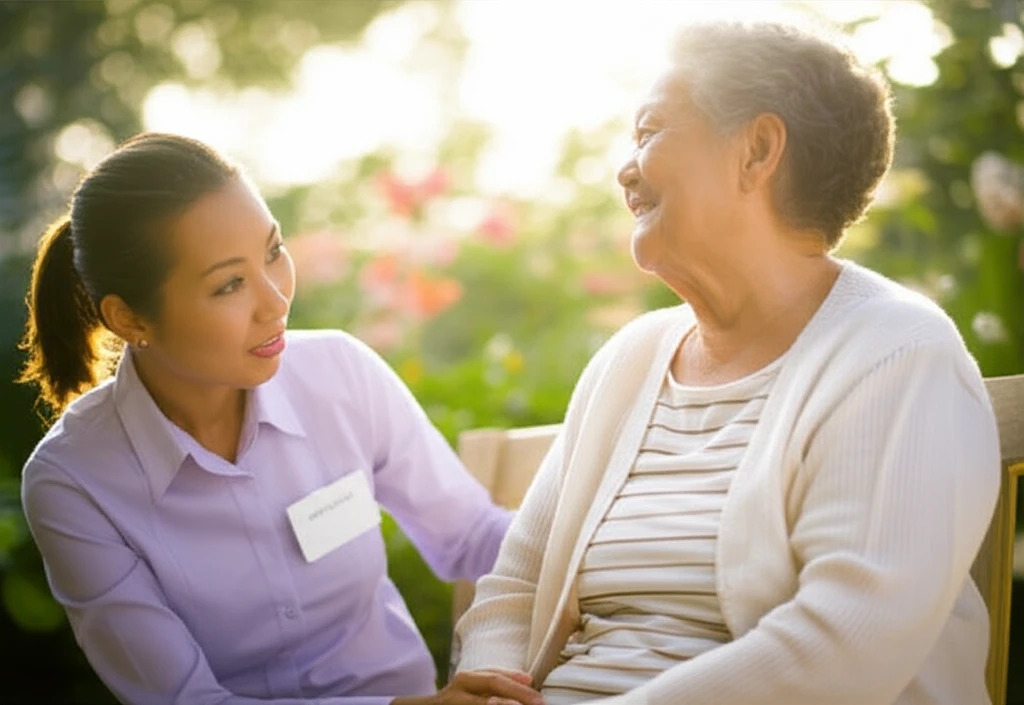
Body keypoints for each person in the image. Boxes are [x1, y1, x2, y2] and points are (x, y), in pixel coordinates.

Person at [454, 17, 1001, 705]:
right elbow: (516, 587)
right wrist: (490, 691)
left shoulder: (897, 352)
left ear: (758, 150)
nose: (625, 168)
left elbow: (844, 642)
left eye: (650, 132)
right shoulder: (629, 359)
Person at [18, 132, 543, 705]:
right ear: (129, 318)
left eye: (273, 251)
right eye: (229, 284)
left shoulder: (340, 373)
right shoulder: (73, 482)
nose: (275, 302)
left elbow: (472, 538)